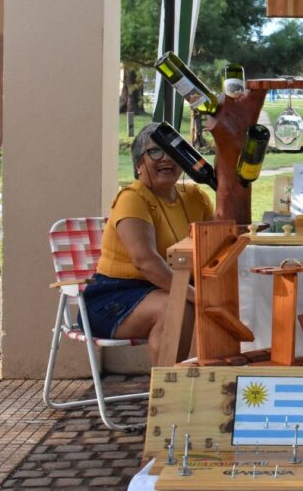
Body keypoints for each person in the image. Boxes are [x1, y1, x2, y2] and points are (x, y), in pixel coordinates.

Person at [83, 123, 214, 364]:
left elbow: (219, 244)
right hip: (114, 296)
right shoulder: (132, 198)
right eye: (155, 151)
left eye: (173, 151)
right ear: (138, 164)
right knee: (176, 305)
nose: (166, 158)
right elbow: (145, 262)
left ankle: (218, 380)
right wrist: (197, 295)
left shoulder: (196, 197)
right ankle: (166, 394)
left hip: (170, 287)